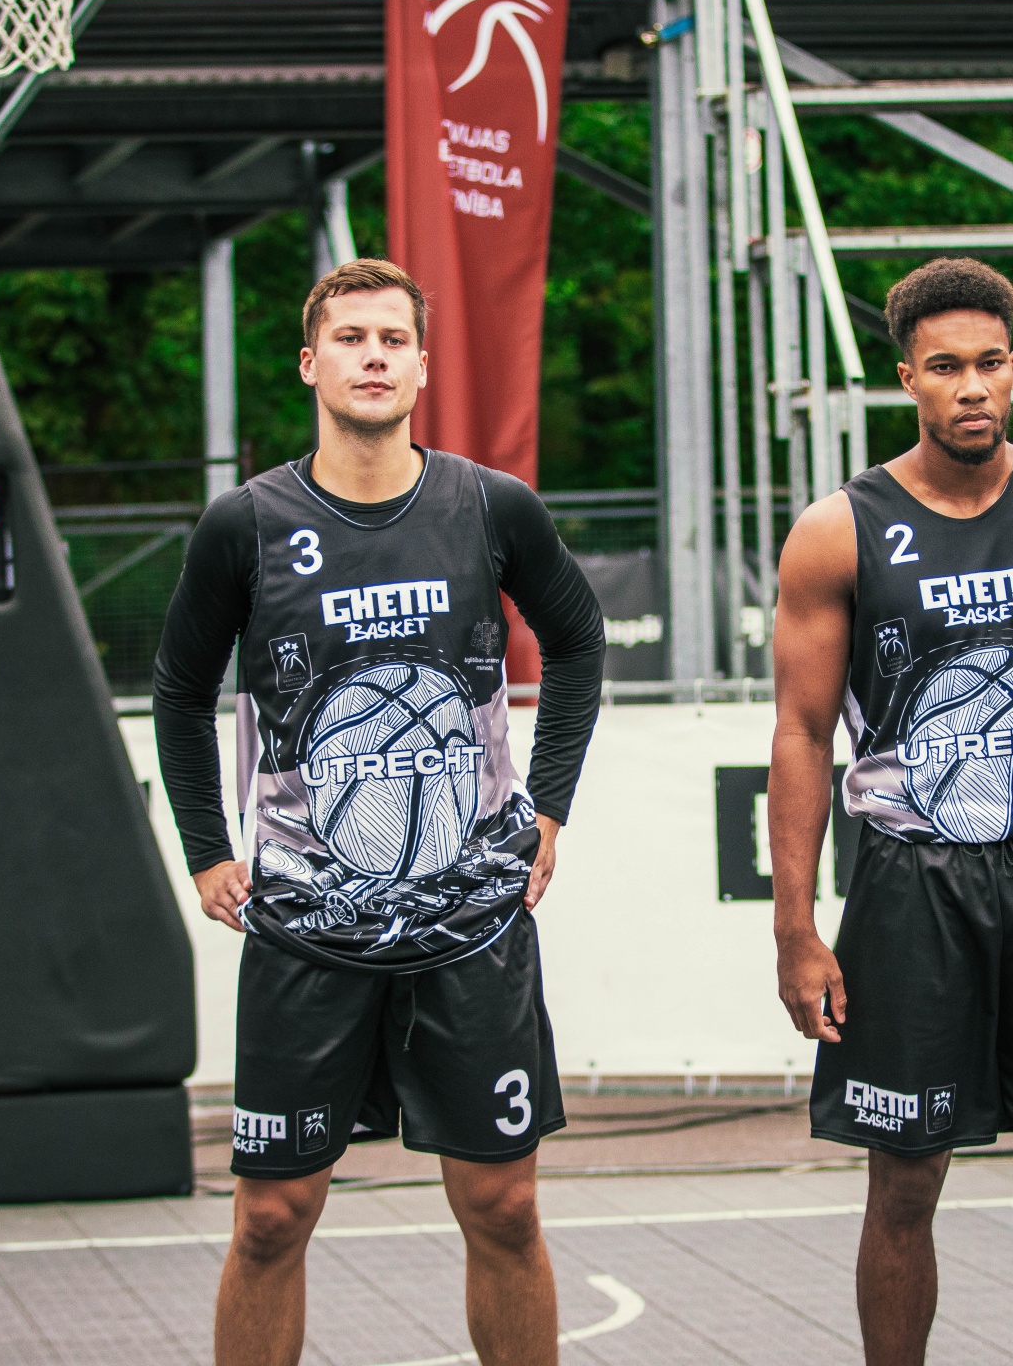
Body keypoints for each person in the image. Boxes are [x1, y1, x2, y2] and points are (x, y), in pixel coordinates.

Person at [154, 258, 605, 1366]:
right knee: (271, 1217)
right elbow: (179, 688)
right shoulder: (246, 524)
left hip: (471, 922)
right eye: (351, 339)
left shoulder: (489, 506)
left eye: (392, 339)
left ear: (421, 366)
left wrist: (549, 806)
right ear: (311, 363)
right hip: (309, 924)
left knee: (504, 1207)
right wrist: (207, 849)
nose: (372, 357)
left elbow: (579, 639)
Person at [768, 257, 1013, 1366]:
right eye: (946, 367)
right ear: (908, 378)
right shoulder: (840, 529)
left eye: (990, 363)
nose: (973, 387)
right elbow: (800, 735)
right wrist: (795, 926)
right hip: (914, 879)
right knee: (905, 1180)